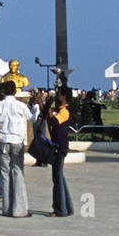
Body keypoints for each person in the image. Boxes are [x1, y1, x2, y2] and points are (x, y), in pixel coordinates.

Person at [0, 80, 32, 217]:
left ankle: (7, 208)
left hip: (4, 141)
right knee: (18, 172)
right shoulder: (20, 105)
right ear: (15, 91)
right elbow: (31, 118)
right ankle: (20, 209)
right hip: (17, 141)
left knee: (5, 174)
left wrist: (1, 129)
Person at [49, 88, 73, 217]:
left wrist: (51, 113)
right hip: (58, 146)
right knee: (60, 178)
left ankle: (60, 209)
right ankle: (67, 207)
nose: (57, 96)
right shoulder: (60, 111)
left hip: (60, 147)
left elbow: (54, 121)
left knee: (57, 179)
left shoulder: (64, 112)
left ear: (63, 97)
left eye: (59, 94)